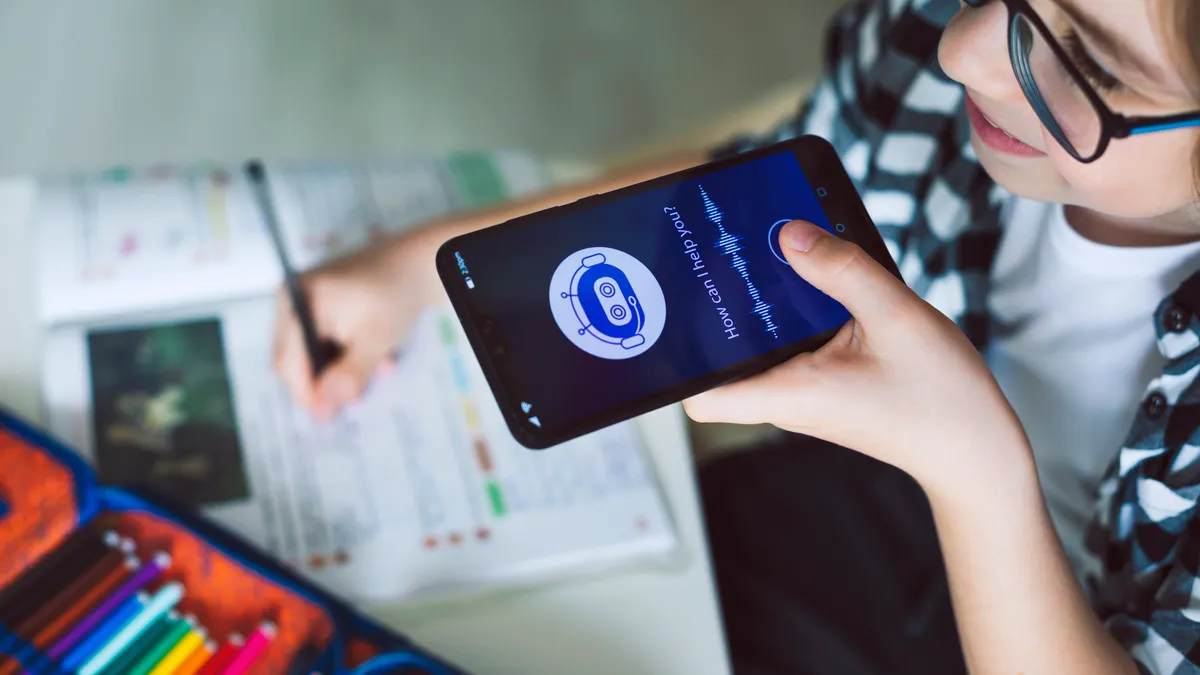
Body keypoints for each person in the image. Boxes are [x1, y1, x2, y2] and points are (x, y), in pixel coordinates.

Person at [273, 0, 1200, 672]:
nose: (962, 52)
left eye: (1088, 63)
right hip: (873, 500)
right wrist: (424, 262)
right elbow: (743, 189)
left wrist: (979, 477)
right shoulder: (937, 33)